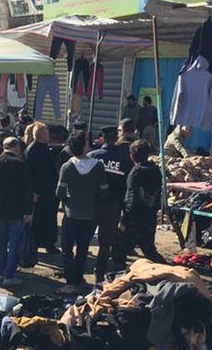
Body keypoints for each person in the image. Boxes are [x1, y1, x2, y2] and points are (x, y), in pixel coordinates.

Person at [56, 130, 108, 291]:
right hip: (90, 214)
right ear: (85, 146)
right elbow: (104, 191)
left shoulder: (67, 166)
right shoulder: (98, 166)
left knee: (67, 249)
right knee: (83, 248)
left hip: (71, 214)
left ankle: (70, 281)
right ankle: (79, 278)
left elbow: (59, 192)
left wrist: (68, 202)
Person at [88, 122, 133, 280]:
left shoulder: (93, 156)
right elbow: (127, 183)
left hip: (93, 204)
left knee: (85, 237)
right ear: (116, 138)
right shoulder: (124, 160)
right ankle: (100, 272)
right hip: (113, 207)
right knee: (106, 242)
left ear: (102, 138)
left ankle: (79, 266)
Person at [113, 139, 166, 268]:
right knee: (149, 250)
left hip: (135, 219)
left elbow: (131, 198)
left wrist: (125, 221)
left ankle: (118, 274)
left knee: (118, 249)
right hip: (150, 216)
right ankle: (165, 270)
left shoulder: (135, 173)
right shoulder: (156, 171)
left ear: (131, 156)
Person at [0, 137, 34, 287]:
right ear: (16, 148)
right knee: (14, 243)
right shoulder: (20, 164)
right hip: (16, 210)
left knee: (0, 243)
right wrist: (28, 211)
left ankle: (1, 271)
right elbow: (27, 190)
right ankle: (9, 274)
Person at [26, 122, 60, 253]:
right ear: (41, 135)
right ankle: (35, 244)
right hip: (39, 193)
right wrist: (32, 192)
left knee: (50, 219)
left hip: (49, 192)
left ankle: (49, 243)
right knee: (38, 220)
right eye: (46, 133)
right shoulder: (32, 151)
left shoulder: (44, 148)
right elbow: (28, 174)